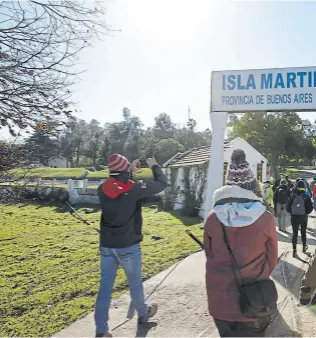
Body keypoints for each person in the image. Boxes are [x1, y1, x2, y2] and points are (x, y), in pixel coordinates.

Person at [204, 149, 278, 337]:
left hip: (219, 300)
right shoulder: (265, 218)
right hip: (254, 301)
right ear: (253, 187)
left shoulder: (212, 218)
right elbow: (272, 259)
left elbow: (209, 253)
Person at [94, 154, 168, 337]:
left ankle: (101, 330)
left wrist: (128, 172)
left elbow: (120, 189)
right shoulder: (133, 188)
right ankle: (143, 314)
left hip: (107, 245)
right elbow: (161, 184)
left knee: (105, 287)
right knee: (135, 284)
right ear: (125, 169)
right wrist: (155, 167)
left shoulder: (102, 188)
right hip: (128, 245)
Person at [286, 180, 313, 257]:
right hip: (303, 217)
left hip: (294, 217)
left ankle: (294, 251)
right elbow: (310, 209)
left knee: (295, 233)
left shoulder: (292, 196)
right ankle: (304, 248)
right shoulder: (306, 196)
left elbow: (287, 208)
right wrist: (305, 212)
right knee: (303, 232)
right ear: (304, 188)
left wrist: (293, 212)